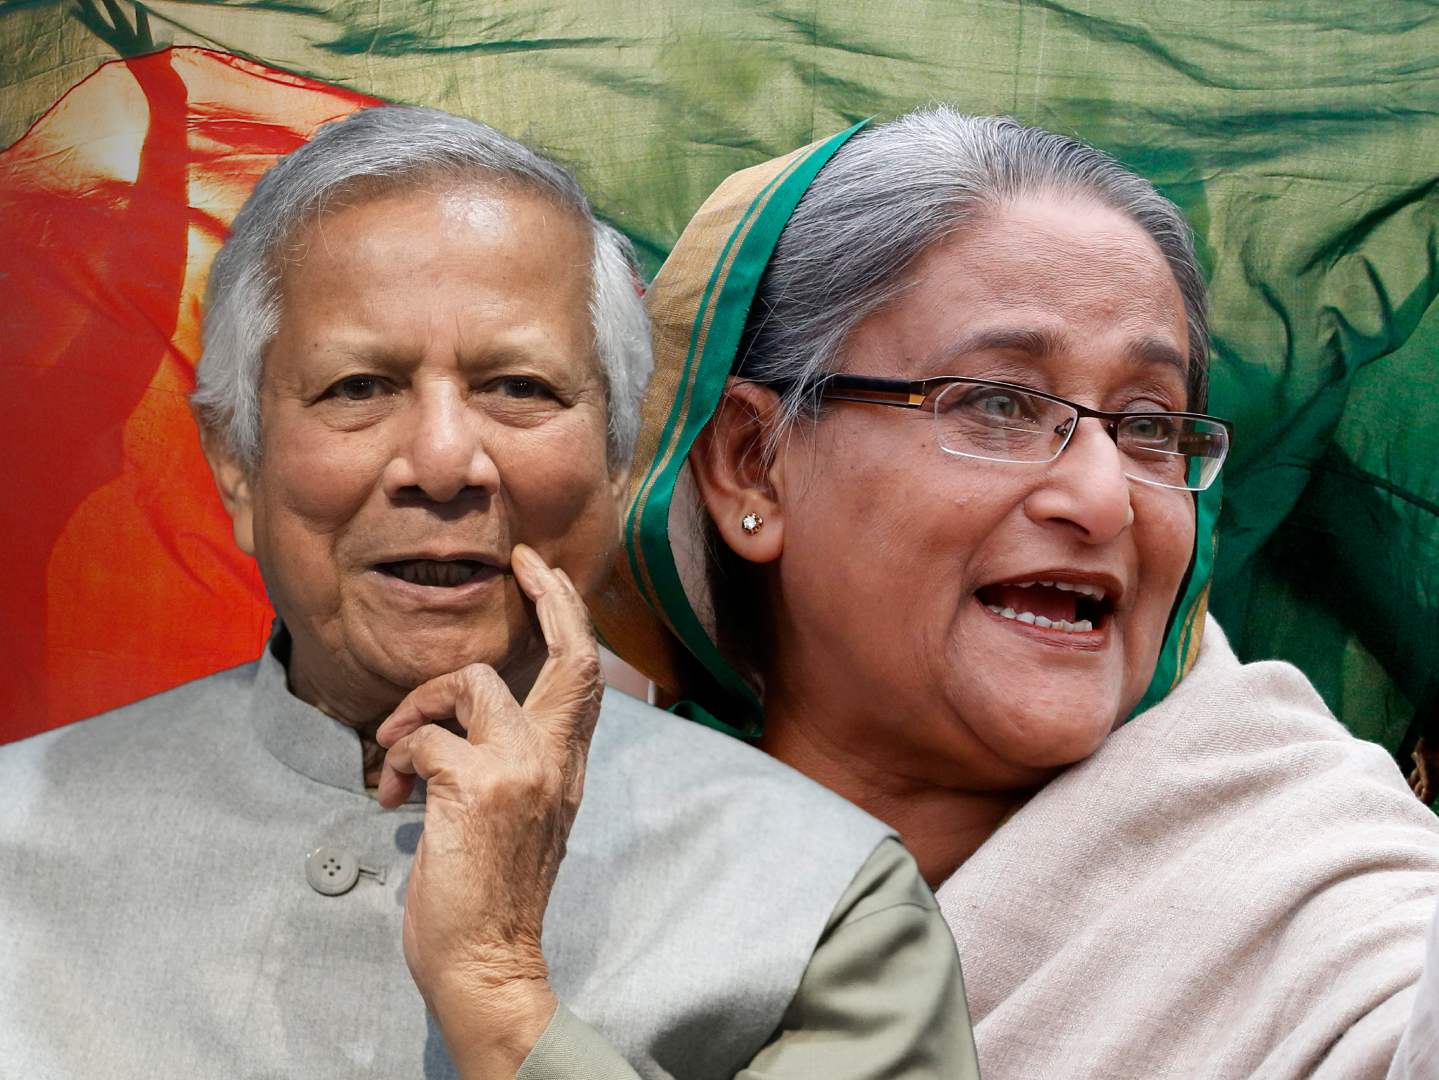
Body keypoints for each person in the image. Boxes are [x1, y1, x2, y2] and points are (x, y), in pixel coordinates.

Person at [0, 105, 983, 1079]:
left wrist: (504, 1001)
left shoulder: (826, 909)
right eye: (357, 389)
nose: (443, 461)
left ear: (618, 460)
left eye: (519, 389)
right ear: (236, 463)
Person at [574, 107, 1439, 1078]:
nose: (1106, 498)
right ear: (751, 464)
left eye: (1151, 426)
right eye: (999, 404)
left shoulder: (1323, 894)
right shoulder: (537, 837)